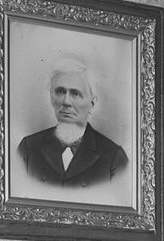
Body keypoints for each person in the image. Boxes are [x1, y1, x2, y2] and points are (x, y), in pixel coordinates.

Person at [17, 59, 128, 188]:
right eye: (60, 92)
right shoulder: (28, 148)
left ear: (92, 104)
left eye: (75, 94)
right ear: (51, 98)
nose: (66, 102)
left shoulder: (114, 157)